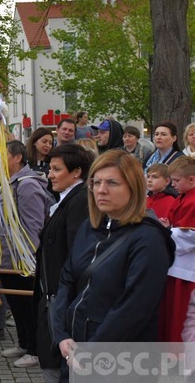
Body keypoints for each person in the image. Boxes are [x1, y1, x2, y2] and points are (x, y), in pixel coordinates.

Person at [51, 150, 174, 382]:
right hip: (76, 350)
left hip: (121, 360)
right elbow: (67, 279)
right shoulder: (91, 227)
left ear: (133, 187)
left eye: (112, 183)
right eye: (96, 182)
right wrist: (61, 335)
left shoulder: (148, 239)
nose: (101, 189)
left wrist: (93, 351)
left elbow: (135, 306)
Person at [0, 141, 47, 371]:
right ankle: (24, 343)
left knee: (27, 306)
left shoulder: (27, 185)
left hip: (21, 261)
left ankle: (36, 350)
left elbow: (33, 226)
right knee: (16, 305)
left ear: (16, 157)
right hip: (7, 258)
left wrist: (26, 260)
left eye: (1, 156)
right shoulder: (8, 183)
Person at [33, 144, 93, 382]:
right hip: (54, 293)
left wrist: (62, 296)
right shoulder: (68, 199)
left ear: (76, 172)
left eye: (56, 169)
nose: (49, 174)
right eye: (50, 168)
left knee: (58, 363)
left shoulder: (78, 202)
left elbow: (75, 253)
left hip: (61, 296)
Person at [159, 156, 195, 342]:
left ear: (192, 179)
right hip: (177, 267)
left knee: (181, 317)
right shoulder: (184, 197)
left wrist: (166, 232)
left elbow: (189, 237)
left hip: (187, 270)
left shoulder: (192, 201)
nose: (173, 185)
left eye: (177, 180)